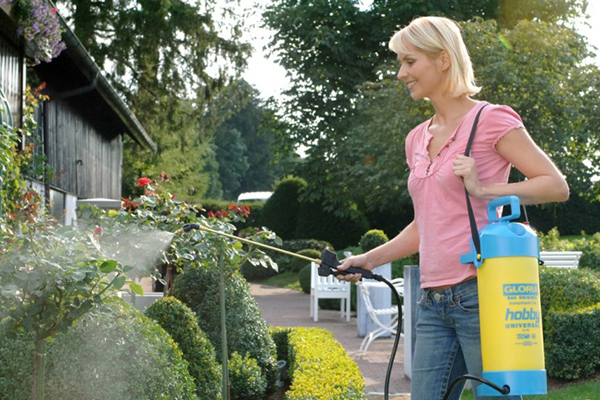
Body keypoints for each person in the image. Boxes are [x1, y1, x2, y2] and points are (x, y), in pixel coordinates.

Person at [336, 16, 569, 400]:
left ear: (442, 59)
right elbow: (424, 224)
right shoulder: (416, 138)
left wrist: (483, 187)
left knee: (498, 398)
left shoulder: (490, 119)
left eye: (410, 62)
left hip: (481, 292)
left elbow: (555, 185)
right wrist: (369, 260)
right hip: (432, 300)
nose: (401, 73)